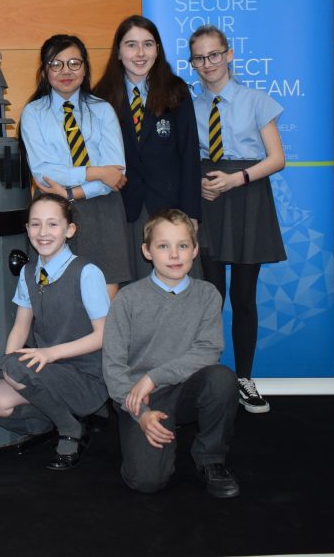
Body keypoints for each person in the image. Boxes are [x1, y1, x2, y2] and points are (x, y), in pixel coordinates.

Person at [102, 209, 240, 498]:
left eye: (183, 245)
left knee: (222, 378)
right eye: (163, 246)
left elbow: (208, 350)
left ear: (195, 250)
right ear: (147, 251)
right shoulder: (127, 299)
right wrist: (140, 414)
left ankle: (211, 458)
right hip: (140, 397)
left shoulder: (207, 295)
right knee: (146, 481)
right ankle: (153, 433)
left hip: (186, 389)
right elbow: (113, 367)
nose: (174, 255)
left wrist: (153, 377)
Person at [189, 24, 286, 414]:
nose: (208, 63)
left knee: (244, 296)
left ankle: (245, 378)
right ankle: (210, 380)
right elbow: (182, 158)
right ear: (192, 63)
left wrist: (236, 179)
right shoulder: (188, 106)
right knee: (210, 298)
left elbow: (277, 159)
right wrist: (196, 184)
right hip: (208, 201)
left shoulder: (256, 100)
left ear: (229, 54)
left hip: (247, 198)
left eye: (214, 54)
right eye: (199, 57)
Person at [0, 193, 109, 471]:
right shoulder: (28, 273)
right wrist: (9, 367)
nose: (43, 232)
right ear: (27, 229)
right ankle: (60, 417)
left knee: (14, 369)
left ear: (70, 230)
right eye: (35, 224)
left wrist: (48, 354)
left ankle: (70, 428)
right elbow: (21, 326)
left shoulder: (87, 272)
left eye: (52, 224)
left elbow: (103, 335)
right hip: (46, 371)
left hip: (86, 376)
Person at [20, 33, 132, 299]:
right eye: (56, 64)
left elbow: (116, 175)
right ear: (44, 70)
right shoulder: (34, 113)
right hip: (52, 211)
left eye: (74, 63)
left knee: (103, 295)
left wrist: (72, 192)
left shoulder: (102, 110)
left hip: (103, 209)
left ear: (85, 68)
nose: (66, 71)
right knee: (55, 294)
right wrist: (97, 172)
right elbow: (44, 173)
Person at [94, 15, 202, 278]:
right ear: (118, 52)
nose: (140, 53)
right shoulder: (100, 96)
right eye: (131, 45)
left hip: (169, 205)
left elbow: (189, 154)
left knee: (175, 282)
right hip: (121, 206)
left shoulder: (176, 90)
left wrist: (191, 213)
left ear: (158, 49)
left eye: (148, 44)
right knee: (132, 286)